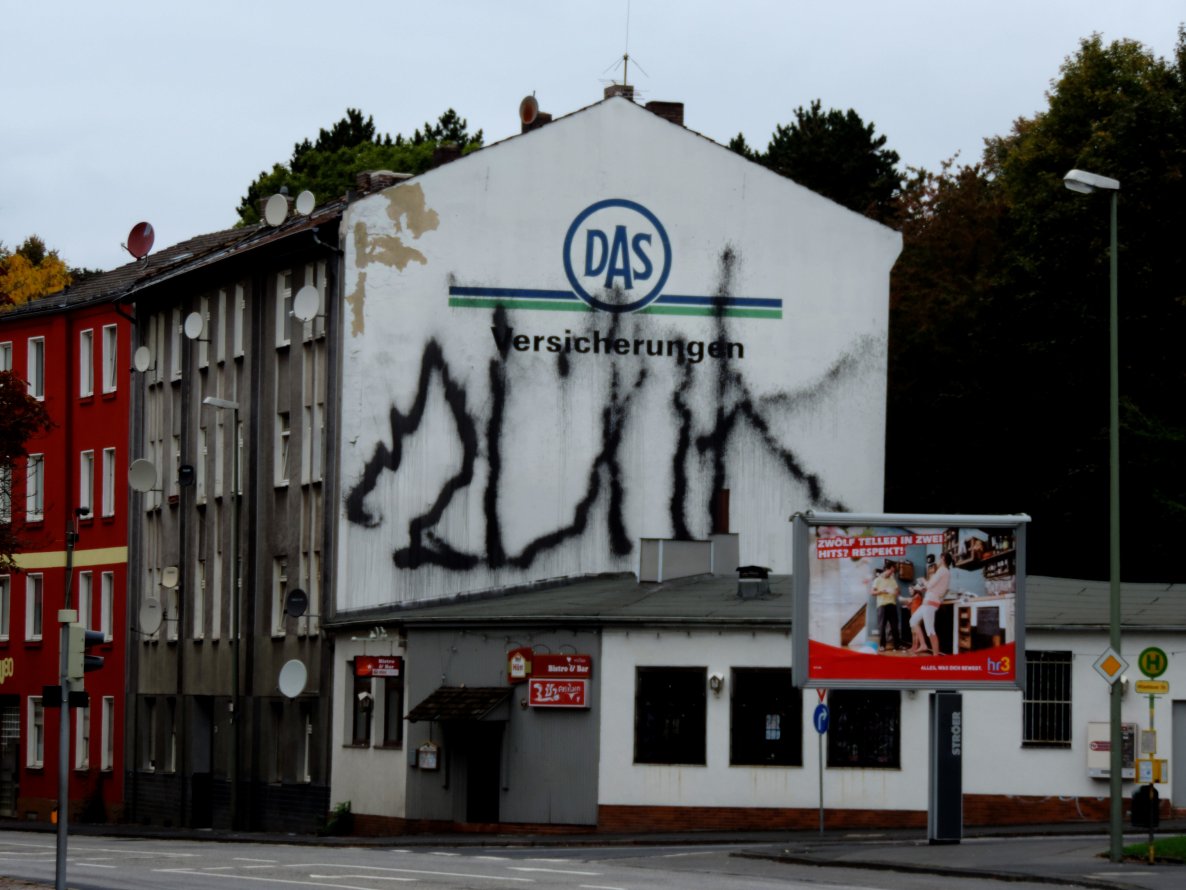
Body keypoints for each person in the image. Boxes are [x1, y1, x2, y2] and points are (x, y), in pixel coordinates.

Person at [909, 551, 952, 654]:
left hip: (931, 602)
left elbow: (929, 585)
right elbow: (934, 588)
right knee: (913, 621)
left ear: (943, 558)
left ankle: (935, 656)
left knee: (930, 631)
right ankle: (923, 645)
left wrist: (923, 580)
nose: (938, 560)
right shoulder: (945, 572)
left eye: (939, 558)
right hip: (928, 601)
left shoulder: (942, 570)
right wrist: (925, 588)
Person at [870, 563, 901, 651]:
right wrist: (881, 591)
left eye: (893, 571)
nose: (892, 573)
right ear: (886, 569)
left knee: (894, 626)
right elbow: (872, 592)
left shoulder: (892, 580)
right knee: (882, 626)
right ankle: (882, 645)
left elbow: (898, 592)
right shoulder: (877, 580)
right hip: (882, 605)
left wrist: (896, 591)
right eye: (891, 571)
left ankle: (897, 645)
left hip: (892, 604)